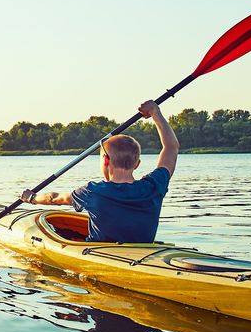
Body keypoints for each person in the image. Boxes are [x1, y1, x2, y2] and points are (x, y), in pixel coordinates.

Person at [21, 100, 178, 242]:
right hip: (144, 252)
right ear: (137, 164)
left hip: (102, 253)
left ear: (106, 160)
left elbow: (53, 198)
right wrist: (155, 112)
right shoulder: (154, 186)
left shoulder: (93, 192)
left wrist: (32, 198)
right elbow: (171, 147)